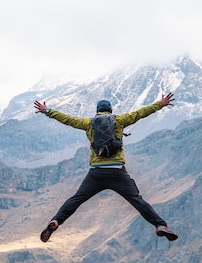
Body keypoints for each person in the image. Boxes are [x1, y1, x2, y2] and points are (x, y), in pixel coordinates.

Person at [33, 94, 178, 243]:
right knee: (137, 200)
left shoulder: (88, 123)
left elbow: (68, 120)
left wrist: (48, 111)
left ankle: (56, 221)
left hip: (96, 172)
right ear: (110, 111)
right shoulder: (119, 121)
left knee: (76, 199)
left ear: (97, 112)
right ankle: (160, 224)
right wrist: (160, 104)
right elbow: (140, 113)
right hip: (117, 172)